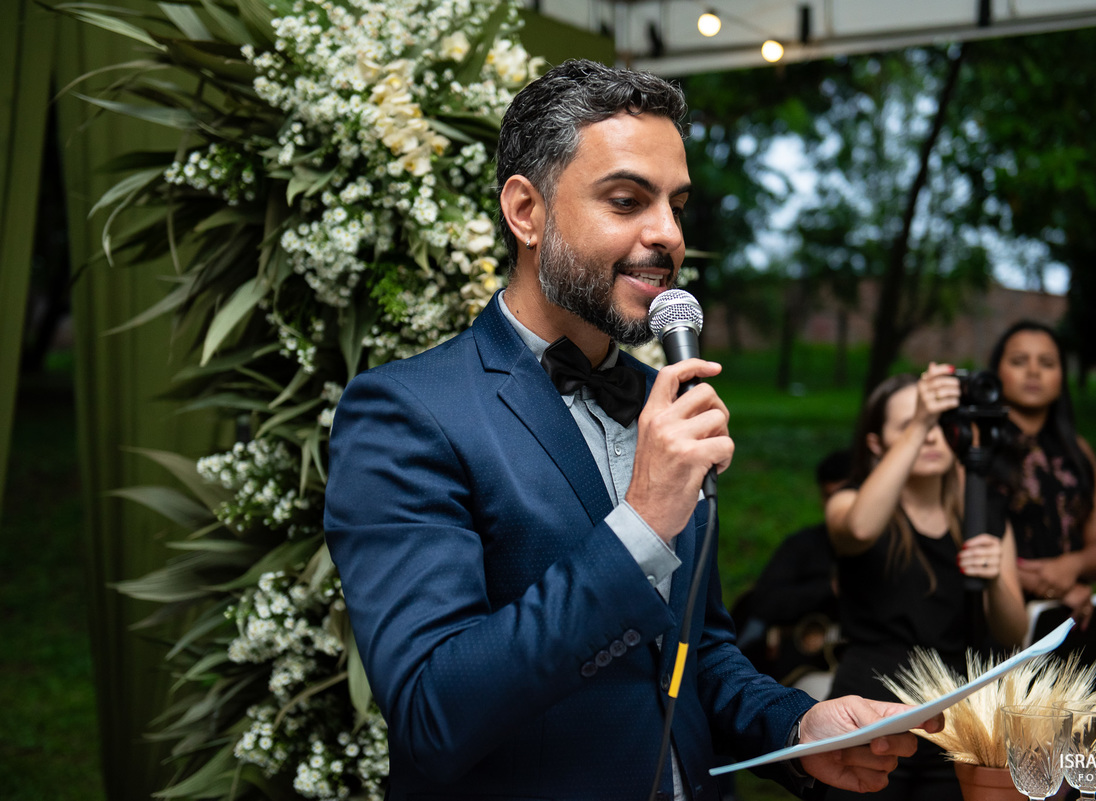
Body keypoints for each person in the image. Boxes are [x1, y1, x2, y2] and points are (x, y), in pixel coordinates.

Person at [323, 60, 939, 801]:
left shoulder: (664, 404)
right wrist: (641, 523)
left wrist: (797, 726)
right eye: (626, 200)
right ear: (526, 212)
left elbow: (691, 652)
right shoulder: (406, 412)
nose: (668, 235)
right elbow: (433, 713)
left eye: (677, 205)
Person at [823, 367, 1027, 801]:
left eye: (940, 423)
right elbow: (858, 529)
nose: (931, 435)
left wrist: (994, 580)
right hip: (872, 713)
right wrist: (922, 420)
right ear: (876, 444)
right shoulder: (848, 500)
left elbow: (1014, 633)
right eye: (911, 424)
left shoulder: (985, 512)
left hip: (961, 719)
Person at [987, 321, 1096, 627]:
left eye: (1047, 363)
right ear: (996, 373)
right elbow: (955, 540)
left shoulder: (1077, 451)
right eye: (1019, 361)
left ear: (1061, 376)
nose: (1034, 372)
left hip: (1070, 617)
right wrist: (1043, 583)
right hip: (995, 615)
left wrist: (1072, 565)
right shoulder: (977, 446)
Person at [733, 449, 851, 690]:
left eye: (845, 495)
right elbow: (761, 602)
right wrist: (828, 588)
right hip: (799, 669)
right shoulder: (803, 545)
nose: (838, 506)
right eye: (829, 497)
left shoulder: (892, 548)